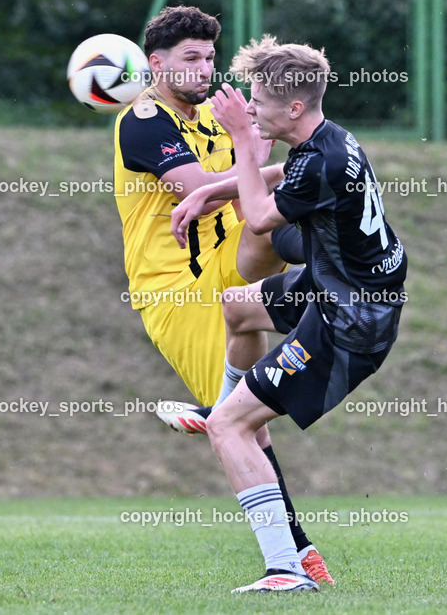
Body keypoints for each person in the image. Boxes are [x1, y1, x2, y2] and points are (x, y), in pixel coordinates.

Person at [171, 36, 407, 593]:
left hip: (349, 320)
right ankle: (228, 403)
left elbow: (257, 218)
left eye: (258, 100)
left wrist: (238, 143)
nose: (250, 108)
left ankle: (284, 569)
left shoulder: (321, 157)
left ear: (293, 107)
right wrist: (210, 192)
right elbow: (280, 182)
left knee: (231, 429)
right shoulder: (329, 141)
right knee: (238, 307)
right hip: (342, 286)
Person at [113, 7, 333, 586]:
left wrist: (307, 166)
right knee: (247, 425)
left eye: (211, 57)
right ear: (155, 65)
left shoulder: (217, 115)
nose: (206, 68)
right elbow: (200, 194)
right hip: (178, 290)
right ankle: (298, 557)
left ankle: (342, 273)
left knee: (285, 214)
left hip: (227, 266)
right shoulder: (143, 121)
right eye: (192, 58)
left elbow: (257, 185)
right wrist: (249, 149)